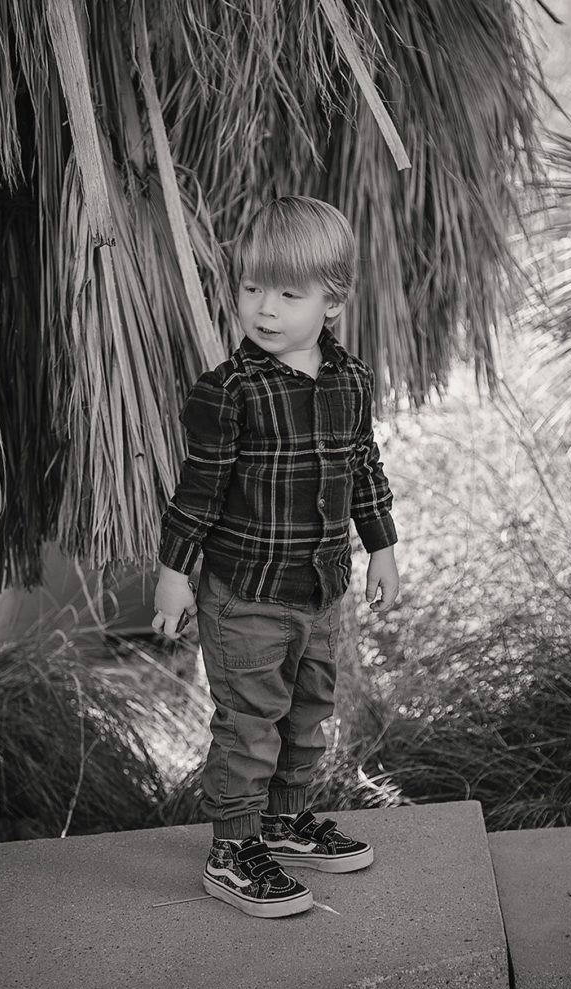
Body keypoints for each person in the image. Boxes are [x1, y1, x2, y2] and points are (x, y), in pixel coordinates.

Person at [153, 195, 399, 918]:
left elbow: (362, 466)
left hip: (321, 589)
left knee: (307, 714)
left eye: (288, 293)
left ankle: (285, 824)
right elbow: (197, 492)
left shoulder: (350, 382)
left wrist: (382, 546)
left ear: (333, 300)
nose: (264, 308)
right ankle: (231, 849)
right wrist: (174, 575)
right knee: (250, 722)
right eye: (252, 287)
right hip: (246, 593)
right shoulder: (227, 392)